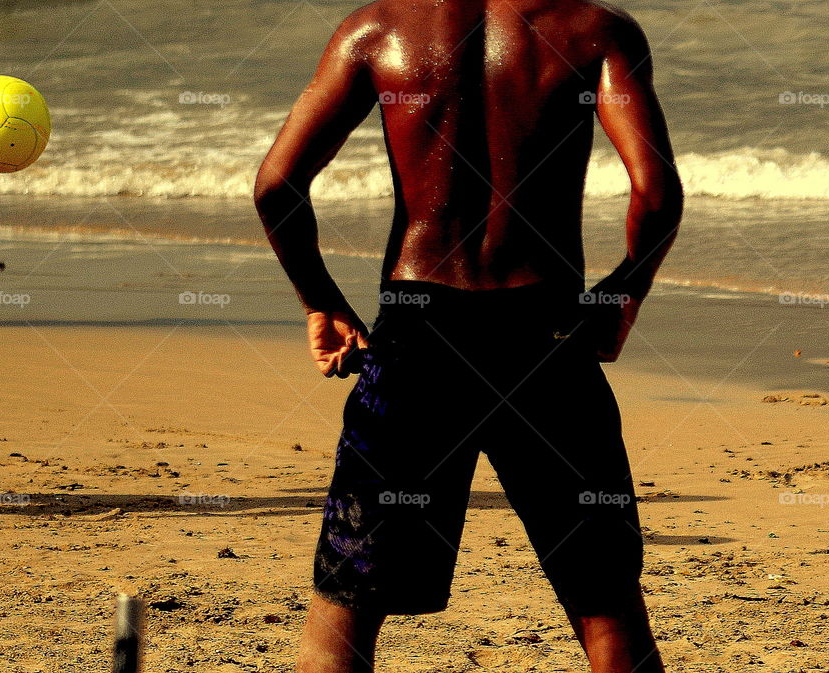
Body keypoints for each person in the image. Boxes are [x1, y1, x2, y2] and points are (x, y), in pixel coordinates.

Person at [254, 0, 683, 669]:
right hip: (546, 336)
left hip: (417, 341)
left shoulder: (378, 29)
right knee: (608, 607)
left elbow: (276, 186)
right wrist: (621, 292)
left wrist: (323, 301)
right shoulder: (594, 29)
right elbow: (654, 192)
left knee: (346, 611)